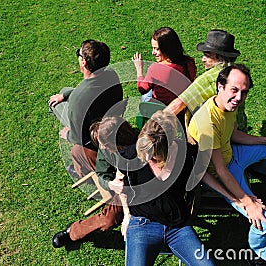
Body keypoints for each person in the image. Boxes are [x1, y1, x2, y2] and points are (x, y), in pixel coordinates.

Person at [188, 64, 266, 264]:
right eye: (234, 90)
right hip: (222, 172)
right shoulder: (207, 123)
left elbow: (234, 135)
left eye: (243, 93)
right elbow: (220, 170)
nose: (238, 98)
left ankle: (263, 172)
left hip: (233, 153)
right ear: (220, 86)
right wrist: (248, 202)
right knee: (265, 219)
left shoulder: (228, 105)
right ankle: (260, 255)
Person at [117, 111, 214, 266]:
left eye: (154, 155)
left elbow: (203, 174)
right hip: (142, 223)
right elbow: (120, 183)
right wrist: (126, 215)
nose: (147, 158)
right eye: (145, 152)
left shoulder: (185, 153)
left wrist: (237, 198)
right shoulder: (131, 154)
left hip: (178, 227)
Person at [51, 116, 139, 248]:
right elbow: (101, 173)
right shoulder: (106, 148)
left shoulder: (139, 146)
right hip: (117, 181)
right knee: (78, 151)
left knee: (109, 220)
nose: (102, 147)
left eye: (105, 144)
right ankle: (82, 173)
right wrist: (110, 184)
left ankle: (73, 232)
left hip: (132, 189)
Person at [48, 40, 123, 177]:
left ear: (84, 63)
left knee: (55, 105)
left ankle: (81, 170)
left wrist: (68, 135)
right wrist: (65, 95)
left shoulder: (79, 98)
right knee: (65, 90)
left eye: (79, 54)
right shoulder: (111, 74)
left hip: (93, 136)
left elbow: (79, 136)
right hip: (111, 121)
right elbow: (85, 91)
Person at [164, 29, 248, 142]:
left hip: (215, 137)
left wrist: (154, 123)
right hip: (239, 129)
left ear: (219, 57)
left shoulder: (210, 78)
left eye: (207, 55)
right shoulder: (239, 74)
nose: (203, 59)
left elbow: (180, 103)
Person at [132, 27, 197, 106]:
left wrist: (139, 69)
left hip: (162, 110)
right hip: (183, 107)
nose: (153, 52)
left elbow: (142, 89)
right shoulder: (190, 62)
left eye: (157, 49)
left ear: (167, 49)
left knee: (146, 95)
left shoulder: (156, 69)